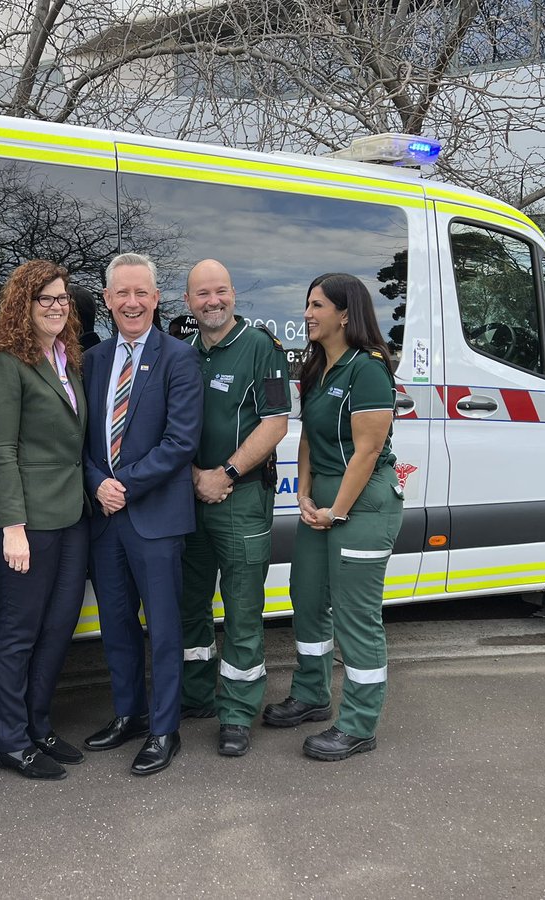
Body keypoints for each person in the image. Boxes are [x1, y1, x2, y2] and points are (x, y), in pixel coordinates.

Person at [263, 273, 403, 762]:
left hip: (360, 505)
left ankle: (359, 724)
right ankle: (312, 694)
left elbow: (366, 452)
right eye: (307, 304)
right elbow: (307, 437)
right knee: (307, 598)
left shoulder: (368, 370)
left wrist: (336, 512)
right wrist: (302, 491)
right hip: (321, 502)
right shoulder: (318, 367)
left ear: (346, 313)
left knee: (356, 617)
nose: (307, 313)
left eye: (317, 305)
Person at [81, 252, 204, 776]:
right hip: (104, 517)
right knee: (115, 624)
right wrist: (96, 483)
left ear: (157, 299)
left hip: (153, 516)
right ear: (107, 300)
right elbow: (79, 439)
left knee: (164, 626)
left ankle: (163, 728)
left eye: (141, 293)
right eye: (121, 294)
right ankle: (128, 713)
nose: (131, 302)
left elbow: (181, 442)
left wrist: (120, 485)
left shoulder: (179, 358)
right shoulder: (92, 360)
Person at [0, 260, 89, 780]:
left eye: (62, 298)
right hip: (30, 522)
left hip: (73, 517)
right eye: (44, 298)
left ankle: (38, 725)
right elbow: (1, 451)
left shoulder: (68, 359)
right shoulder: (7, 363)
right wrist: (13, 527)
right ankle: (9, 740)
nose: (55, 307)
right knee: (18, 633)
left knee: (58, 628)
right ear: (22, 304)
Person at [179, 259, 290, 757]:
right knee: (190, 603)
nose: (212, 301)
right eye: (202, 294)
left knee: (243, 608)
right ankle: (197, 694)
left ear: (233, 295)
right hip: (187, 497)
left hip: (239, 497)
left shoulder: (261, 347)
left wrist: (223, 475)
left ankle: (238, 711)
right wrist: (192, 478)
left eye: (220, 291)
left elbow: (276, 422)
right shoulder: (183, 353)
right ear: (188, 302)